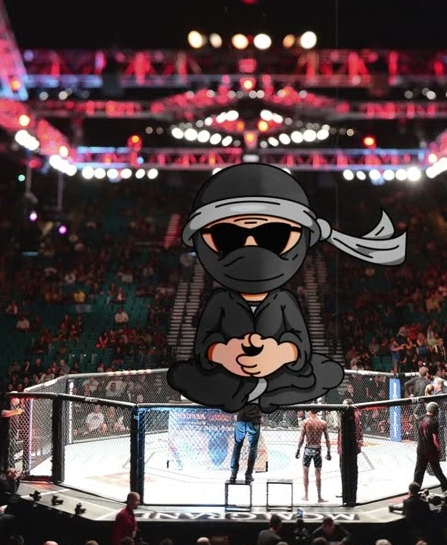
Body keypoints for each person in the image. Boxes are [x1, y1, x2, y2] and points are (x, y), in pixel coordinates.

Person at [167, 164, 405, 413]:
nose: (251, 247)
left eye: (274, 235)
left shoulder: (283, 300)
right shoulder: (220, 300)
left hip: (278, 374)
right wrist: (223, 353)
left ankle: (262, 391)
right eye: (227, 236)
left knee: (321, 372)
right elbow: (204, 344)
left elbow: (300, 343)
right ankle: (246, 391)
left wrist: (281, 353)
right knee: (192, 376)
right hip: (230, 375)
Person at [412, 402, 447, 491]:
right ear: (435, 411)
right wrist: (439, 449)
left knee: (419, 470)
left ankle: (415, 489)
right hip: (430, 450)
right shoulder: (434, 422)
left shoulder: (420, 419)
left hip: (421, 448)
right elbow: (435, 439)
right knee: (436, 468)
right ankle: (444, 484)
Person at [296, 410, 332, 501]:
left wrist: (298, 450)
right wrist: (328, 452)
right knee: (318, 473)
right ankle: (319, 497)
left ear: (310, 412)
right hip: (317, 449)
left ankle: (306, 495)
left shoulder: (306, 422)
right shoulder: (323, 423)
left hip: (308, 449)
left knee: (305, 472)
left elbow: (301, 438)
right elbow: (327, 439)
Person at [228, 404, 264, 485]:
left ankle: (233, 473)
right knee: (253, 448)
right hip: (254, 419)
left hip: (241, 418)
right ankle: (248, 475)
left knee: (237, 446)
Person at [0, 397, 24, 474]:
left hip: (12, 433)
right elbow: (3, 413)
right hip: (5, 433)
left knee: (10, 453)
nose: (18, 400)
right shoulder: (6, 404)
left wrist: (16, 431)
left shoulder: (15, 407)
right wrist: (16, 411)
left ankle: (10, 471)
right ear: (13, 398)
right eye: (17, 397)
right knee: (3, 453)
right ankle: (1, 473)